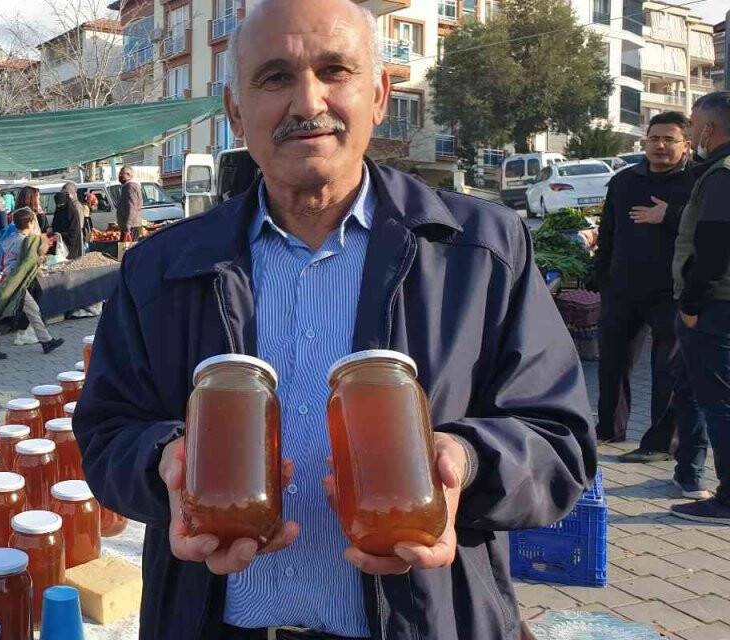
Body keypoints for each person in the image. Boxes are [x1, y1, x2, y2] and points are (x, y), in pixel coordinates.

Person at [72, 1, 595, 638]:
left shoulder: (478, 250)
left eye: (335, 71)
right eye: (274, 78)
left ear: (378, 95)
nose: (307, 102)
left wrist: (469, 461)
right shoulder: (161, 269)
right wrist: (164, 466)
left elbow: (559, 438)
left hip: (426, 618)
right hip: (211, 619)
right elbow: (105, 433)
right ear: (236, 111)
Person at [591, 111, 696, 461]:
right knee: (612, 363)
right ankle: (608, 430)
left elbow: (711, 232)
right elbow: (608, 233)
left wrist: (670, 215)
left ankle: (661, 443)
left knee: (666, 368)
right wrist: (600, 275)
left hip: (671, 290)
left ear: (686, 145)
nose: (661, 146)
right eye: (654, 139)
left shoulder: (697, 183)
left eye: (670, 140)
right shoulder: (624, 182)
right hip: (623, 288)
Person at [670, 91, 730, 523]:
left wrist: (691, 303)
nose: (691, 132)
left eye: (692, 123)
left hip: (715, 308)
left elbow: (713, 247)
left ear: (708, 128)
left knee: (719, 405)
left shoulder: (722, 176)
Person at [0, 207, 64, 360]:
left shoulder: (10, 238)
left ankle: (46, 341)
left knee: (30, 310)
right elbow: (29, 260)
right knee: (3, 315)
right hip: (15, 282)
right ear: (31, 223)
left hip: (9, 280)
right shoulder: (24, 241)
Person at [51, 181, 86, 259]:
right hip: (62, 243)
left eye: (65, 193)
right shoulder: (61, 208)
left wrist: (61, 234)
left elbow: (77, 226)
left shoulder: (75, 207)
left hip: (73, 243)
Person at [114, 165, 144, 240]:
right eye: (119, 174)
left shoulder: (130, 187)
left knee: (127, 250)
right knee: (129, 249)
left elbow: (131, 207)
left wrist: (127, 226)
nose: (120, 176)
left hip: (131, 227)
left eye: (122, 174)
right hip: (132, 225)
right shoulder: (129, 186)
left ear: (128, 175)